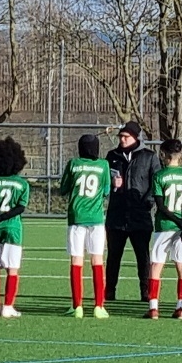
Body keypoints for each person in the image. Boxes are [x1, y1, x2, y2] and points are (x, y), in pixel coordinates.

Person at [105, 121, 162, 302]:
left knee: (143, 257)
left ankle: (145, 293)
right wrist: (111, 184)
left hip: (140, 216)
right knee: (113, 257)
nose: (122, 139)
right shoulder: (112, 156)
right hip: (116, 216)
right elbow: (104, 180)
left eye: (126, 137)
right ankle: (109, 291)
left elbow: (157, 183)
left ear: (136, 137)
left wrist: (147, 203)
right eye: (120, 136)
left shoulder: (149, 157)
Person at [144, 139, 182, 320]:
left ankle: (153, 308)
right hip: (181, 228)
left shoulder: (159, 176)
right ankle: (180, 308)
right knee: (181, 266)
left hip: (164, 226)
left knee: (156, 265)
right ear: (180, 155)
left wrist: (177, 221)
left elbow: (161, 206)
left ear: (164, 154)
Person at [58, 134, 110, 319]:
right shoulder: (103, 165)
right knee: (97, 260)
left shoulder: (73, 164)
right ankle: (99, 306)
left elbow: (63, 189)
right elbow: (106, 191)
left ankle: (77, 306)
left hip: (76, 218)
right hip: (96, 219)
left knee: (76, 260)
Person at [0, 137, 30, 318]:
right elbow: (20, 207)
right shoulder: (22, 184)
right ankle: (8, 306)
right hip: (13, 229)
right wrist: (4, 217)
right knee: (12, 269)